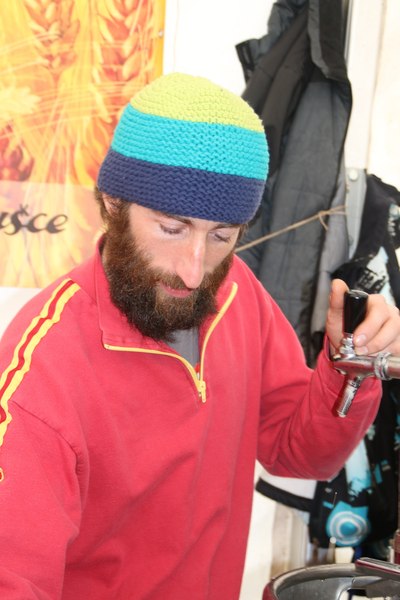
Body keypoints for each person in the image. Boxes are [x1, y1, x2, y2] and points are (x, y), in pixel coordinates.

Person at [0, 73, 399, 600]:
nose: (193, 270)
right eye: (172, 228)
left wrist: (352, 364)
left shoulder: (236, 292)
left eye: (222, 236)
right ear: (113, 203)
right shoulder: (39, 376)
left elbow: (301, 452)